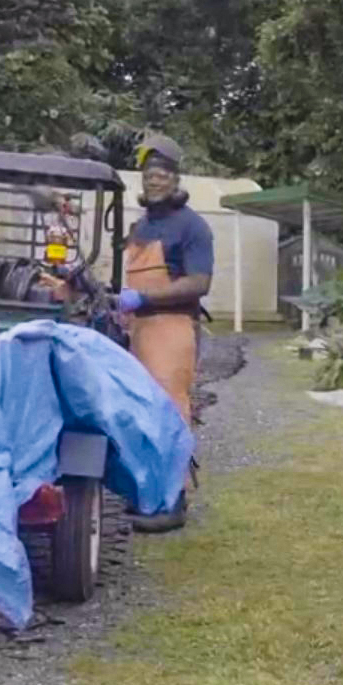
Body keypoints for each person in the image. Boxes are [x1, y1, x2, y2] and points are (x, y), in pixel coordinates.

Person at [116, 132, 213, 533]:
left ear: (175, 179)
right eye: (148, 174)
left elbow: (199, 282)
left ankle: (174, 503)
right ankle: (148, 496)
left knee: (171, 414)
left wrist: (145, 298)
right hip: (138, 331)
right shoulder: (141, 226)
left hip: (172, 330)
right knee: (141, 416)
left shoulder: (192, 227)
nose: (154, 181)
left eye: (161, 174)